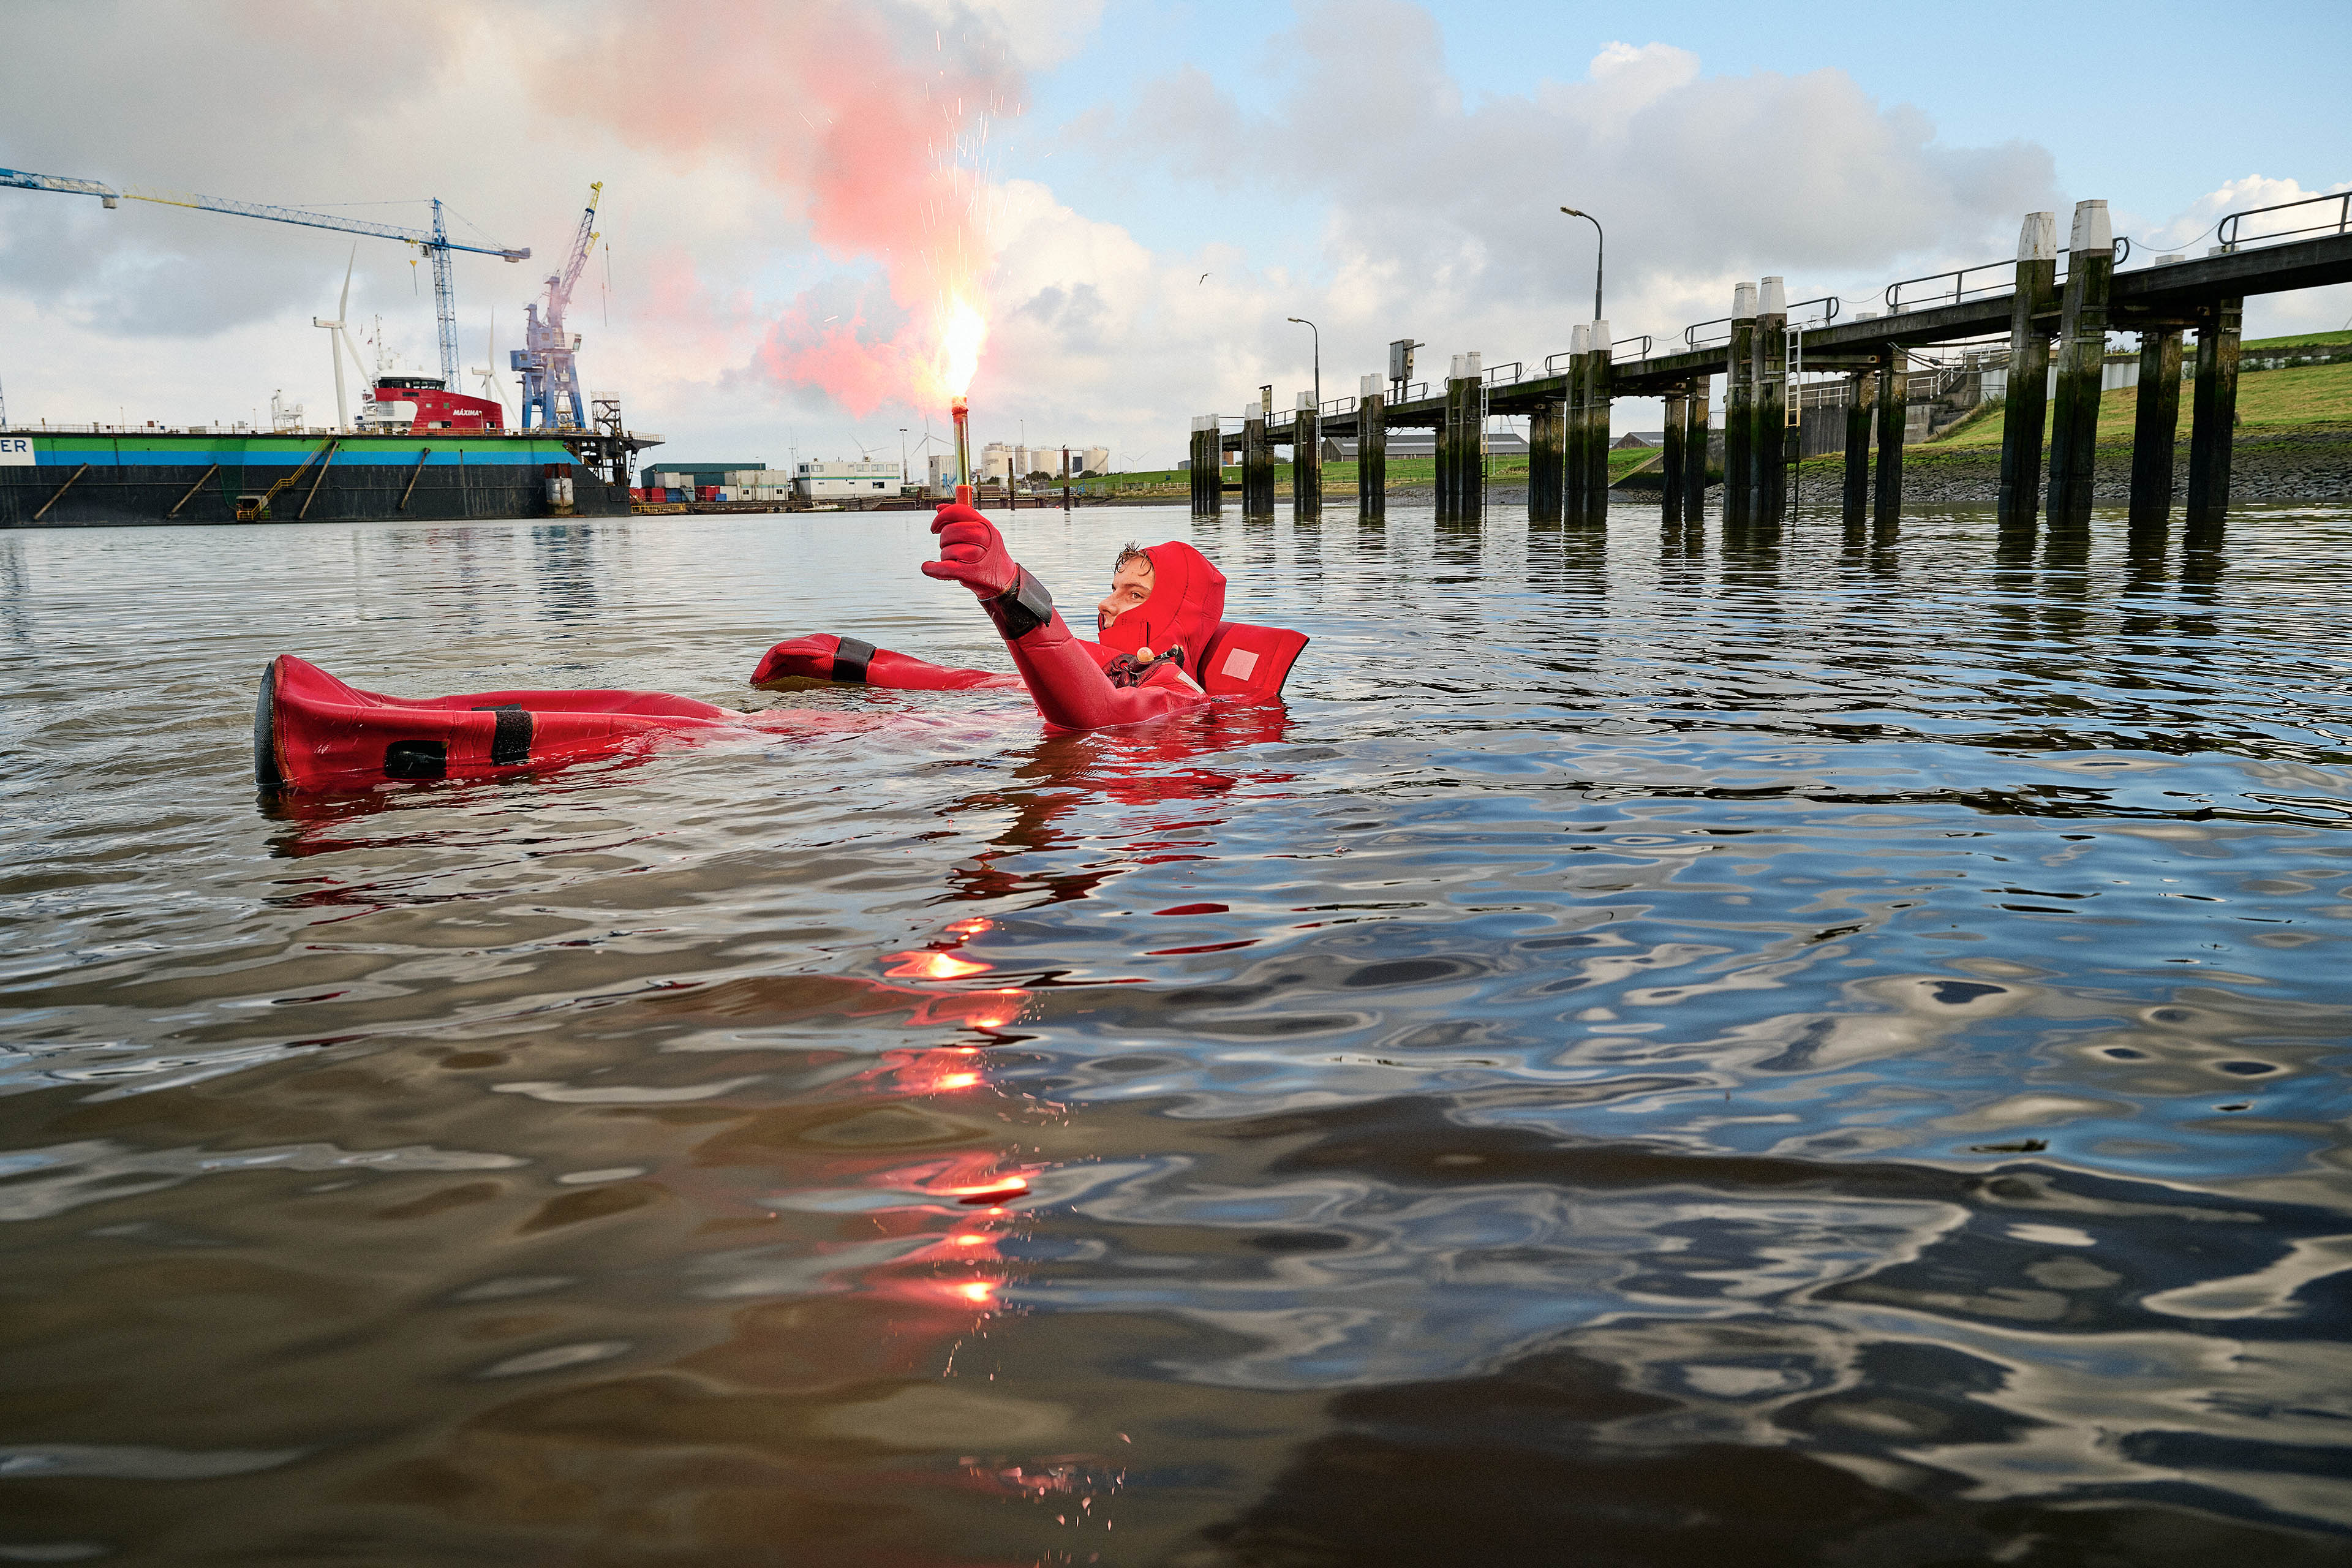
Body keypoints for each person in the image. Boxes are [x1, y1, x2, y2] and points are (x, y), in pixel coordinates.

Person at [750, 504, 1305, 733]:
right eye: (1113, 589)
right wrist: (855, 662)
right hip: (939, 736)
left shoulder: (1178, 692)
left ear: (1178, 615)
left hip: (952, 752)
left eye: (1134, 595)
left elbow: (1099, 715)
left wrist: (1011, 594)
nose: (1107, 606)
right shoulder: (1100, 662)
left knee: (698, 731)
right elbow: (967, 682)